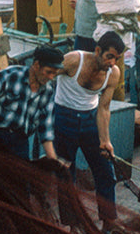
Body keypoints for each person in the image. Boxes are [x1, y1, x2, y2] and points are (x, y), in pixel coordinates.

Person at [53, 31, 123, 224]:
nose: (112, 63)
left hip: (90, 121)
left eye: (116, 59)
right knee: (66, 175)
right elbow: (45, 76)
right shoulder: (74, 60)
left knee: (106, 173)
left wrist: (105, 140)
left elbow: (104, 108)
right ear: (98, 50)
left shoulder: (113, 73)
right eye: (109, 57)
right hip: (63, 119)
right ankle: (71, 224)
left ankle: (109, 224)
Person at [0, 45, 65, 162]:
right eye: (48, 72)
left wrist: (53, 160)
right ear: (36, 66)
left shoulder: (48, 92)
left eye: (54, 74)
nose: (51, 77)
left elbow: (46, 129)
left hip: (20, 142)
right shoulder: (11, 76)